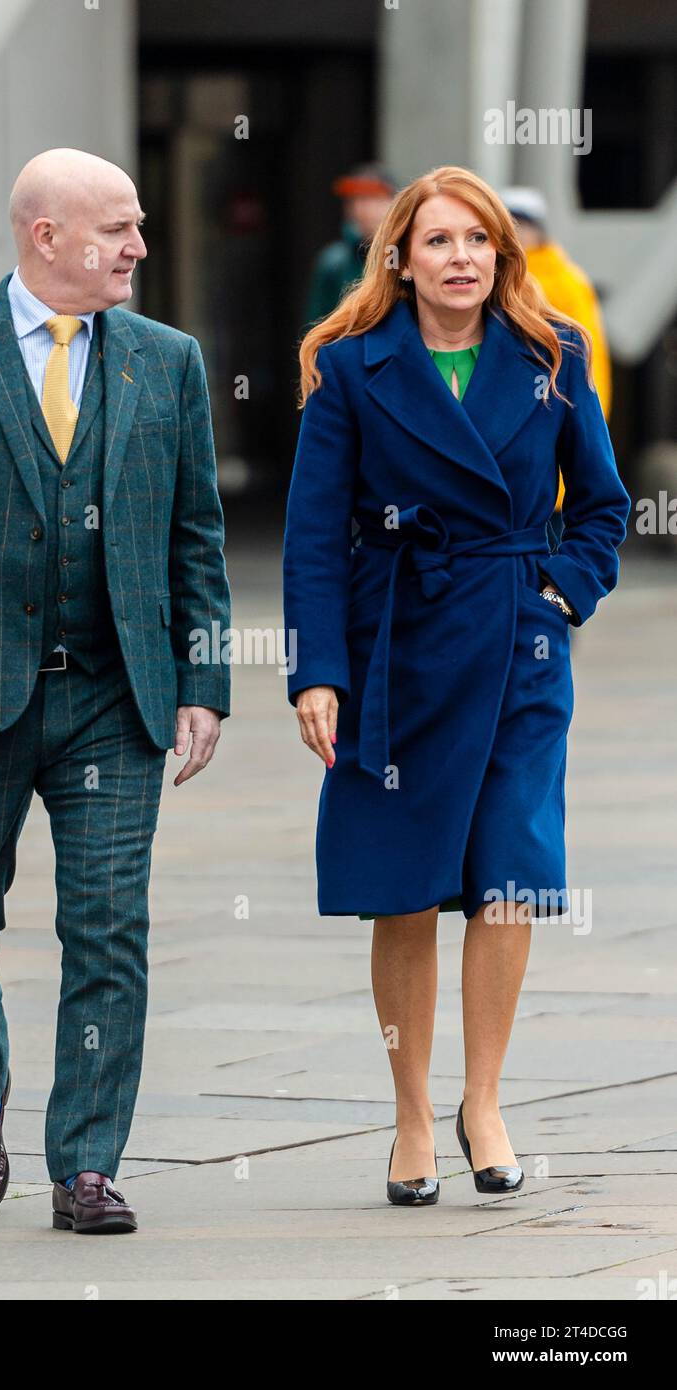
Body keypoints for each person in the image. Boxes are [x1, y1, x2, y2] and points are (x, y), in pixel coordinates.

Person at [0, 148, 231, 1234]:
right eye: (119, 229)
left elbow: (197, 537)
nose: (139, 249)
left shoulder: (170, 361)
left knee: (109, 928)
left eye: (141, 226)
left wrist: (203, 677)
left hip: (115, 694)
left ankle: (87, 1164)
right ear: (44, 235)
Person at [283, 165, 630, 1207]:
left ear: (501, 254)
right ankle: (412, 1115)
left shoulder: (552, 353)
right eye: (439, 241)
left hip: (521, 647)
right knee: (405, 886)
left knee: (512, 874)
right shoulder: (349, 368)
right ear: (400, 256)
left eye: (477, 241)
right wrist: (319, 673)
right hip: (399, 648)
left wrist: (559, 597)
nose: (462, 258)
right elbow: (310, 537)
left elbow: (604, 508)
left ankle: (484, 1100)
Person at [501, 186, 613, 547]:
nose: (515, 232)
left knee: (548, 545)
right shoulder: (495, 278)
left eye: (521, 223)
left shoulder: (567, 281)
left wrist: (586, 428)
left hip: (550, 424)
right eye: (508, 223)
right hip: (510, 435)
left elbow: (586, 366)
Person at [304, 163, 396, 325]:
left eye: (373, 198)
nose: (363, 208)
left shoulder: (403, 254)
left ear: (392, 203)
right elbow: (317, 324)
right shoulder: (333, 262)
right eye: (356, 199)